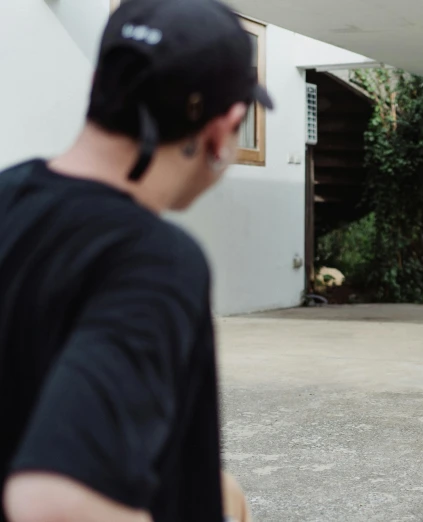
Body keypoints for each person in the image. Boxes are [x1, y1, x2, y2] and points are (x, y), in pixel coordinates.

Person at [0, 0, 273, 520]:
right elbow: (57, 504)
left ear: (99, 87)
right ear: (223, 128)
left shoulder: (8, 198)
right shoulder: (153, 260)